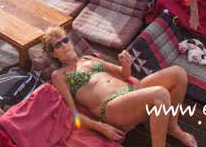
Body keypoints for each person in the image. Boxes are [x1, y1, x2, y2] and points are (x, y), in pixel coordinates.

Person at [42, 27, 196, 147]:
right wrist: (101, 127)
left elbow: (124, 74)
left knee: (178, 73)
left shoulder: (88, 58)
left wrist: (125, 63)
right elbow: (72, 113)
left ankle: (172, 127)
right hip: (111, 107)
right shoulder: (59, 75)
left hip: (130, 91)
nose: (64, 45)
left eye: (65, 40)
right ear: (54, 54)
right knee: (160, 94)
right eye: (57, 45)